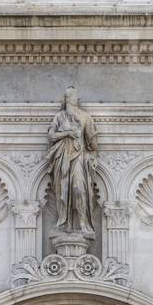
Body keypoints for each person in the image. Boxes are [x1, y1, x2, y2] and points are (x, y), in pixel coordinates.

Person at [46, 86, 98, 238]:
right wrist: (67, 133)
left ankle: (83, 224)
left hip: (79, 158)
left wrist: (93, 155)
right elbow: (51, 135)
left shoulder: (85, 117)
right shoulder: (60, 117)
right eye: (72, 95)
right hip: (62, 159)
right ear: (67, 98)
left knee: (79, 188)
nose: (76, 97)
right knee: (63, 191)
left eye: (76, 95)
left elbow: (93, 143)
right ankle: (64, 224)